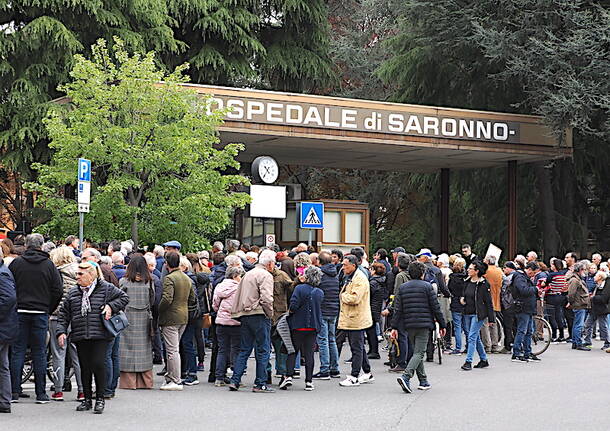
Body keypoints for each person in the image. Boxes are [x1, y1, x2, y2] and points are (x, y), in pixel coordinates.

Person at [57, 261, 129, 414]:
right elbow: (64, 314)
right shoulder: (73, 292)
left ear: (91, 275)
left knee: (98, 364)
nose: (77, 277)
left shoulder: (105, 288)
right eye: (77, 273)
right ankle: (87, 399)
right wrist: (61, 331)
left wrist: (110, 306)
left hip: (100, 334)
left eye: (80, 274)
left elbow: (123, 298)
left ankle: (100, 399)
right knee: (85, 368)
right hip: (81, 334)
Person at [8, 233, 63, 404]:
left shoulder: (17, 264)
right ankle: (41, 393)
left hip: (20, 311)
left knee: (18, 351)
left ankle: (14, 392)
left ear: (26, 245)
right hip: (40, 313)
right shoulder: (49, 265)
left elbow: (9, 286)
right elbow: (57, 290)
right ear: (41, 245)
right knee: (40, 353)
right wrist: (48, 308)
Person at [392, 262, 446, 393]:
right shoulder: (427, 287)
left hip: (408, 324)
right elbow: (436, 307)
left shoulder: (403, 287)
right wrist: (442, 324)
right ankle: (406, 376)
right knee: (419, 352)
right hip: (424, 323)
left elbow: (397, 309)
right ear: (423, 273)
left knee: (417, 352)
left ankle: (423, 380)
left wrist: (394, 326)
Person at [229, 250, 275, 393]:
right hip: (259, 314)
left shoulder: (248, 274)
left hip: (245, 314)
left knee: (244, 349)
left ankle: (235, 380)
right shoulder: (266, 275)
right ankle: (260, 383)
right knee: (263, 350)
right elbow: (267, 298)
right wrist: (270, 314)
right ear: (270, 263)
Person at [280, 266, 324, 391]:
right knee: (309, 354)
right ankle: (309, 381)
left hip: (298, 325)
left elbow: (293, 305)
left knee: (292, 350)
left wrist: (292, 312)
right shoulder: (320, 292)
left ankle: (288, 376)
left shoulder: (299, 288)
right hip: (313, 326)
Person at [48, 246, 84, 402]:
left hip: (57, 316)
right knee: (78, 355)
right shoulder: (80, 272)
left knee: (58, 354)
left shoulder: (55, 273)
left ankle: (58, 390)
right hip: (77, 318)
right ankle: (82, 390)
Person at [158, 251, 196, 391]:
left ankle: (175, 379)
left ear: (166, 264)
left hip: (170, 317)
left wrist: (159, 310)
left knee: (172, 350)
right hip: (183, 316)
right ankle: (171, 377)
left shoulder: (169, 279)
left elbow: (167, 298)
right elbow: (192, 298)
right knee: (175, 348)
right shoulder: (186, 278)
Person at [118, 254, 155, 390]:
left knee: (127, 349)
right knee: (144, 350)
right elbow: (153, 301)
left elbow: (119, 300)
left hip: (127, 318)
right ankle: (145, 382)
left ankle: (129, 382)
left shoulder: (124, 281)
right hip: (144, 318)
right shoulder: (149, 282)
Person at [338, 255, 373, 387]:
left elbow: (355, 299)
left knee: (356, 348)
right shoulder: (351, 277)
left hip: (356, 318)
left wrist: (342, 296)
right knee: (359, 347)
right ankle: (368, 372)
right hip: (353, 317)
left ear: (353, 265)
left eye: (345, 265)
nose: (343, 267)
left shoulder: (360, 279)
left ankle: (354, 376)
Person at [460, 261, 494, 371]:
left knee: (471, 337)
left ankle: (468, 361)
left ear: (477, 271)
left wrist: (491, 318)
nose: (468, 270)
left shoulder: (484, 284)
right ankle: (483, 359)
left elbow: (488, 302)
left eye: (470, 269)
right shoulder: (467, 282)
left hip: (478, 314)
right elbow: (464, 293)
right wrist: (462, 299)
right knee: (475, 337)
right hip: (468, 312)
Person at [212, 266, 243, 386]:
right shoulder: (239, 288)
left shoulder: (220, 286)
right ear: (235, 276)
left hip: (221, 321)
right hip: (235, 322)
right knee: (235, 349)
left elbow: (215, 304)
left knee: (222, 350)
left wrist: (219, 312)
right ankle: (236, 378)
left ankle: (219, 377)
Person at [313, 251, 340, 380]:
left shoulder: (320, 274)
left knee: (322, 340)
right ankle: (334, 368)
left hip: (322, 309)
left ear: (319, 261)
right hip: (334, 309)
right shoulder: (335, 273)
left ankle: (324, 369)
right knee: (331, 339)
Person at [269, 259, 293, 382]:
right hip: (265, 314)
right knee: (263, 346)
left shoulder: (282, 275)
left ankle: (281, 371)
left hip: (279, 315)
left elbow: (292, 289)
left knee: (279, 344)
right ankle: (266, 374)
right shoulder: (260, 274)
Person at [0, 247, 18, 413]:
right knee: (3, 365)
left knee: (3, 365)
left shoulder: (2, 273)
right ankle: (4, 401)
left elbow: (9, 298)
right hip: (5, 326)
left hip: (3, 326)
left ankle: (4, 401)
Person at [510, 264, 539, 362]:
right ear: (530, 270)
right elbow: (523, 290)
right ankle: (516, 353)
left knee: (529, 331)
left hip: (528, 308)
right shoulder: (520, 277)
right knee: (522, 330)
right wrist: (536, 289)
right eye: (534, 273)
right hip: (523, 307)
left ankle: (527, 352)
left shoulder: (525, 278)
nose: (534, 275)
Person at [566, 261, 591, 351]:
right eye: (583, 270)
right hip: (579, 304)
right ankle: (578, 343)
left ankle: (575, 342)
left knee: (577, 324)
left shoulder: (576, 279)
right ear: (579, 270)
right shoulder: (575, 280)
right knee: (578, 325)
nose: (584, 271)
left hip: (579, 304)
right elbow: (571, 294)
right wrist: (571, 302)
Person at [543, 258, 568, 342]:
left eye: (552, 265)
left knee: (551, 316)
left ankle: (553, 335)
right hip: (561, 296)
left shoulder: (551, 275)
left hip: (552, 296)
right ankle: (561, 335)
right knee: (559, 315)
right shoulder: (563, 274)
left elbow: (544, 284)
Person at [481, 255, 503, 353]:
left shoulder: (486, 271)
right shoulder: (499, 271)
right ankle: (495, 344)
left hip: (485, 300)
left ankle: (487, 345)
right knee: (493, 322)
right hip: (496, 299)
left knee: (485, 324)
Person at [583, 271, 610, 349]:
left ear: (600, 278)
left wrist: (592, 298)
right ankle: (587, 341)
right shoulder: (598, 285)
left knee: (603, 326)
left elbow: (604, 298)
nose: (594, 277)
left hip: (602, 309)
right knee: (588, 324)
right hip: (594, 308)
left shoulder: (605, 286)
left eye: (596, 276)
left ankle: (607, 342)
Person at [366, 262, 386, 359]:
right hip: (377, 307)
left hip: (371, 308)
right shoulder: (381, 281)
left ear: (374, 271)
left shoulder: (373, 283)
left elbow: (368, 295)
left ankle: (373, 351)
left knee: (371, 331)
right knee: (372, 330)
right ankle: (373, 350)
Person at [448, 257, 467, 354]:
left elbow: (449, 289)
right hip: (466, 302)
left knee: (457, 326)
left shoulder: (452, 277)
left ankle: (458, 347)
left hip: (455, 302)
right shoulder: (467, 277)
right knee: (466, 325)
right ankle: (468, 345)